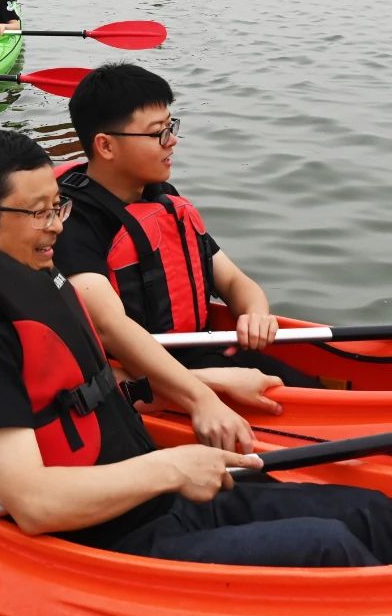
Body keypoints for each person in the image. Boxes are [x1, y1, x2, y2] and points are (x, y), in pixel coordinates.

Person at [0, 129, 392, 567]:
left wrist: (205, 382)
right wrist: (170, 467)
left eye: (57, 207)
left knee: (371, 513)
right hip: (113, 538)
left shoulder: (28, 282)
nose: (57, 226)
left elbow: (84, 393)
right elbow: (35, 502)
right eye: (38, 213)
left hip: (154, 500)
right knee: (329, 546)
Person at [54, 63, 319, 389]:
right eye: (158, 133)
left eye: (171, 126)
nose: (172, 141)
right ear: (106, 146)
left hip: (201, 354)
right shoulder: (69, 223)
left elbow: (232, 279)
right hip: (143, 380)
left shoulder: (161, 196)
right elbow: (109, 328)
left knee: (308, 384)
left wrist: (255, 313)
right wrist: (204, 388)